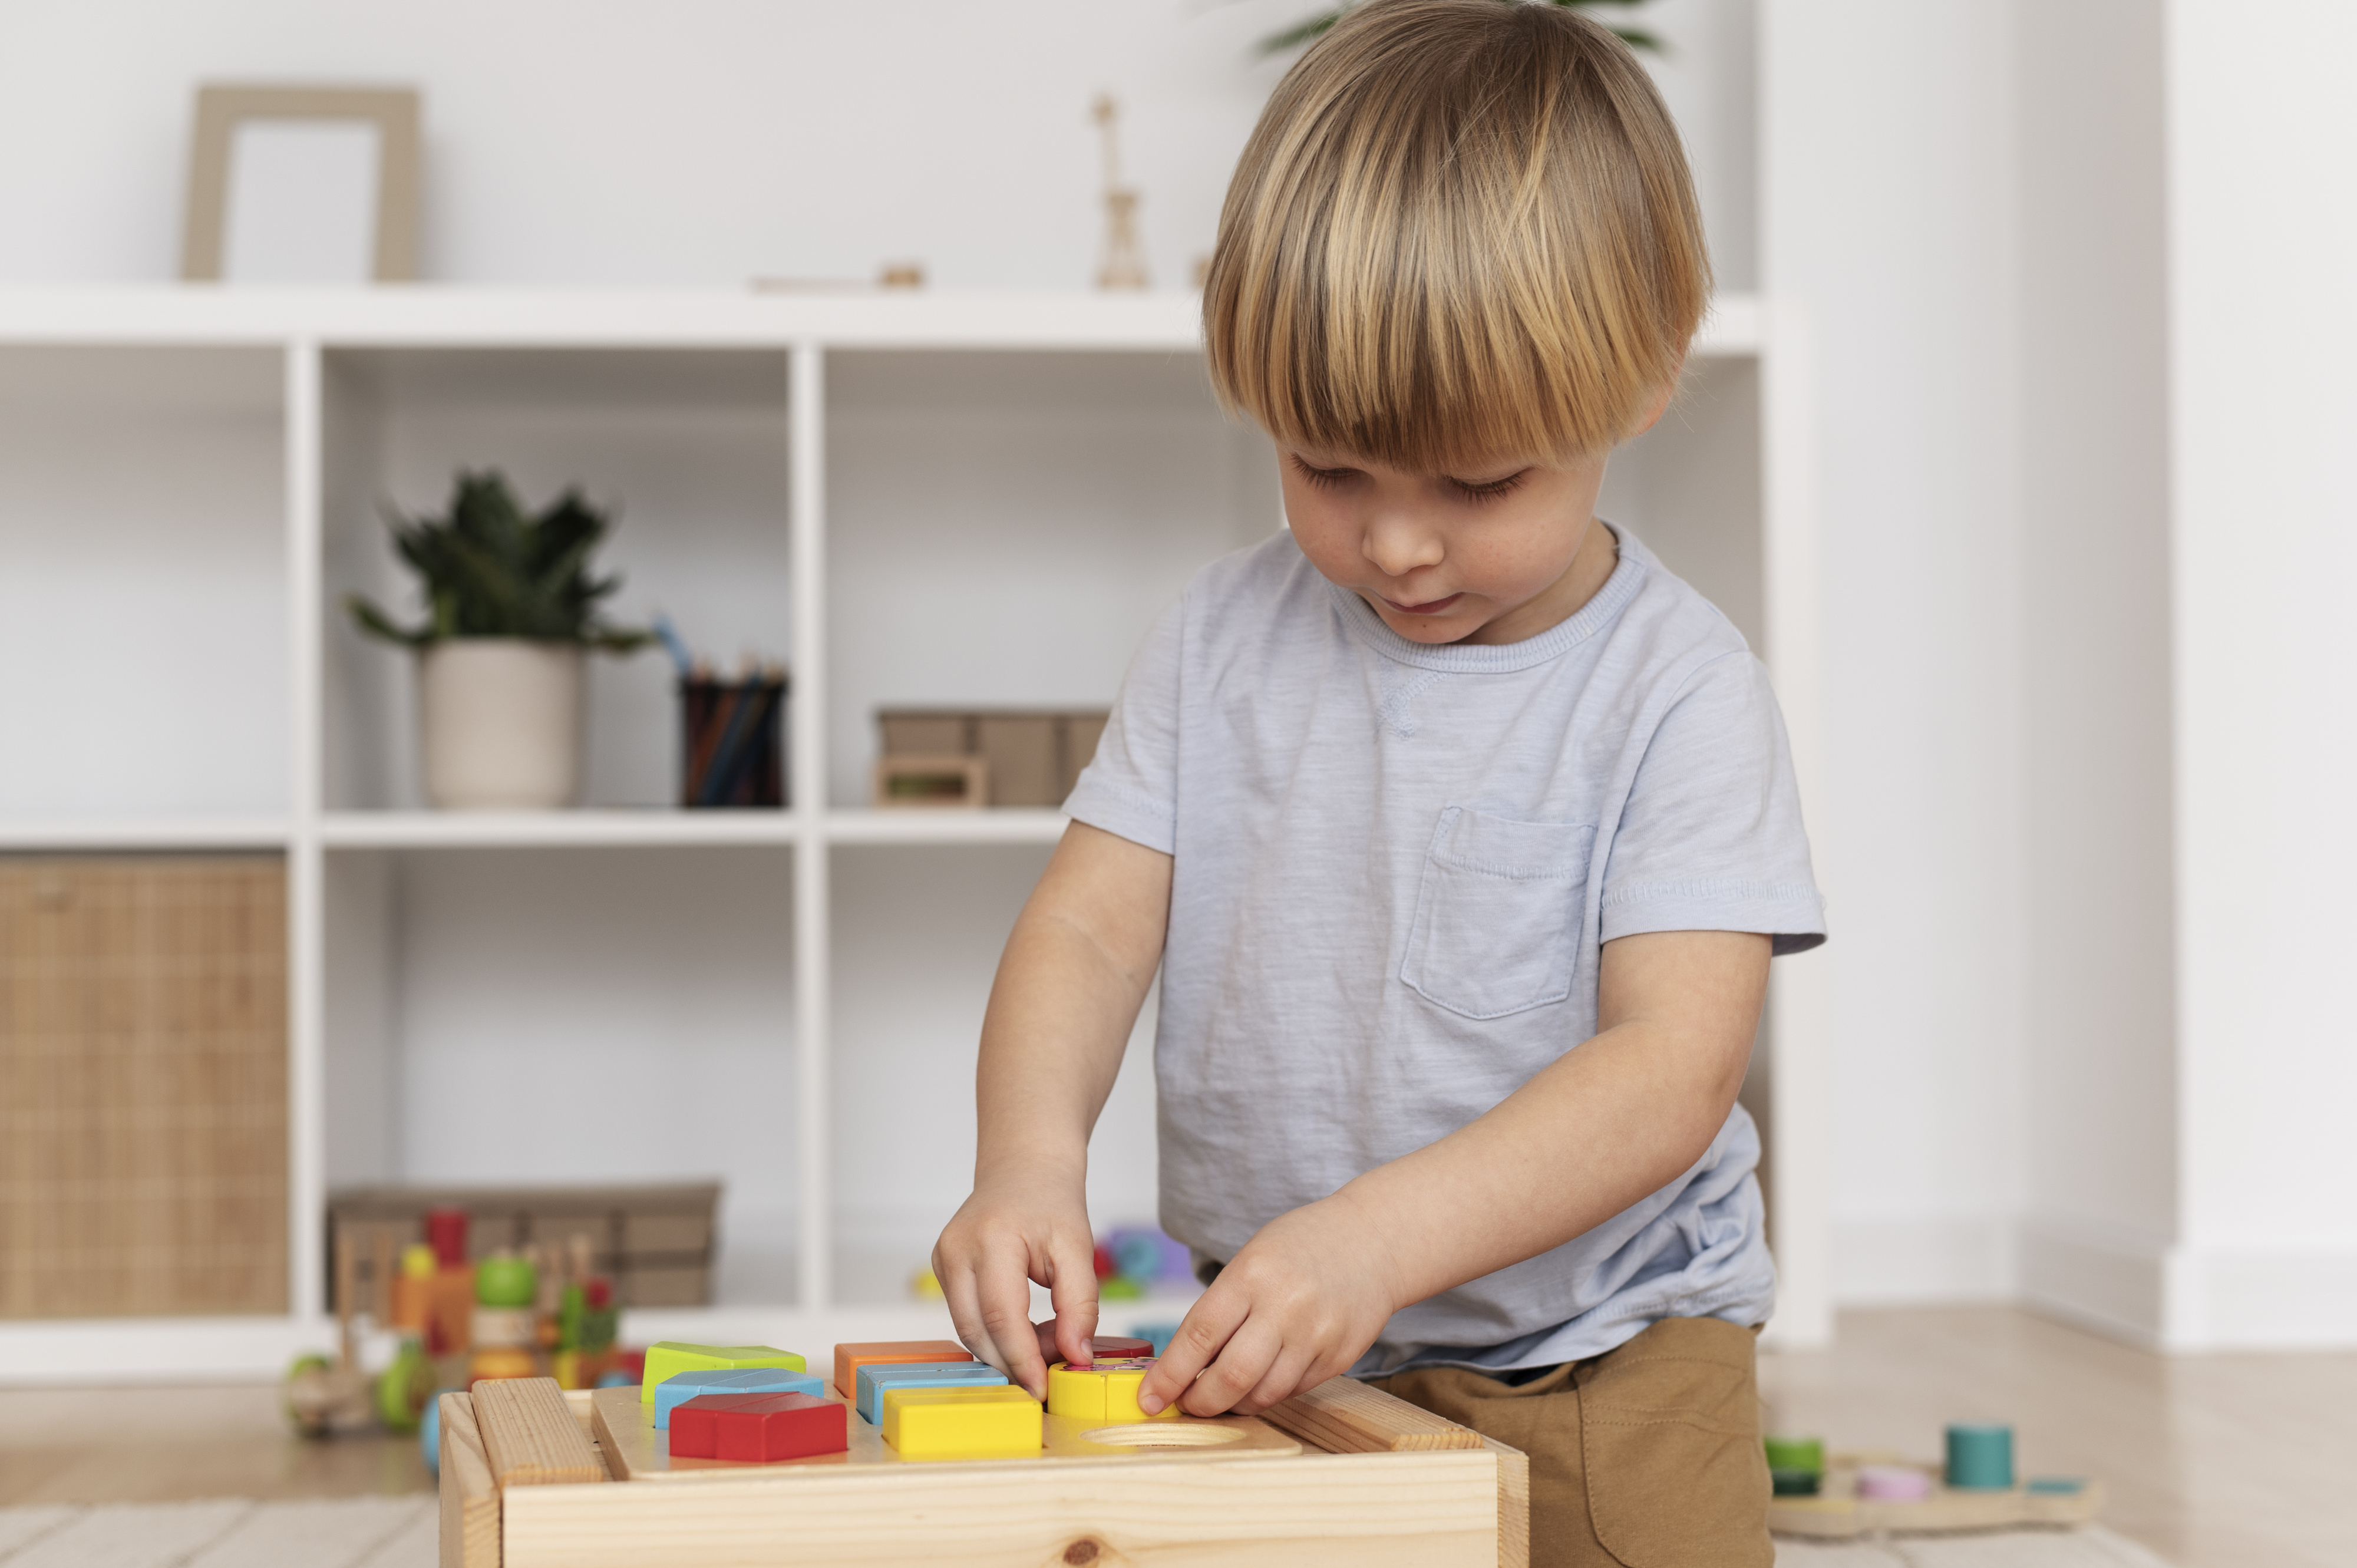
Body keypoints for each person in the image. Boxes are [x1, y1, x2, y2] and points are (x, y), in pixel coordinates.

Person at [932, 2, 1823, 1560]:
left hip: (1601, 1362)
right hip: (1284, 1349)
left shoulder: (1681, 691)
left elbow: (1671, 1070)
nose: (1398, 544)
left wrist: (1377, 1239)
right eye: (1329, 468)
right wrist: (1025, 1161)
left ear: (1645, 376)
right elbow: (1087, 929)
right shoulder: (1218, 641)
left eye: (1479, 482)